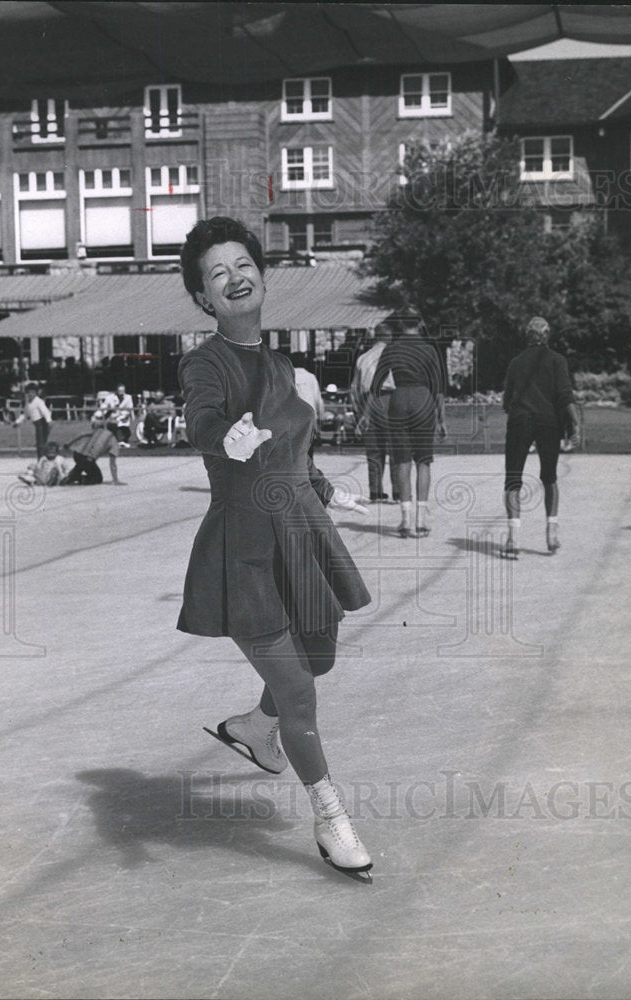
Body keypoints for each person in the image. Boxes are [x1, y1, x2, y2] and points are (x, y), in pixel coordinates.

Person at [176, 216, 374, 882]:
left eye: (242, 265)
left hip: (303, 531)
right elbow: (201, 418)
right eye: (216, 274)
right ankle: (330, 818)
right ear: (203, 298)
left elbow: (291, 449)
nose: (234, 278)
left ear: (261, 275)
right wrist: (221, 438)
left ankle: (256, 731)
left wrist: (325, 487)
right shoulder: (204, 362)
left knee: (317, 658)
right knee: (297, 691)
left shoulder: (284, 364)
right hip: (244, 548)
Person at [501, 316, 581, 559]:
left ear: (528, 336)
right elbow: (565, 396)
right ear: (547, 335)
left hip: (520, 420)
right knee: (549, 477)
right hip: (548, 422)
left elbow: (507, 402)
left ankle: (514, 538)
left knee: (513, 478)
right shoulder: (558, 360)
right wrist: (575, 424)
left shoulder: (515, 362)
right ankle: (551, 533)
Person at [371, 312, 446, 537]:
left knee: (402, 461)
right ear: (421, 323)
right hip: (424, 400)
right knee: (424, 461)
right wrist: (441, 419)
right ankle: (420, 521)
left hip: (399, 400)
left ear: (401, 324)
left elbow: (376, 385)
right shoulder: (430, 350)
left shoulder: (391, 349)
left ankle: (405, 519)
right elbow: (439, 388)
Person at [351, 323, 394, 502]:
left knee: (374, 450)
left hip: (368, 402)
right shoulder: (394, 356)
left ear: (375, 337)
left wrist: (359, 414)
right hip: (390, 400)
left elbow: (354, 388)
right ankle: (399, 491)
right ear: (389, 338)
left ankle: (375, 491)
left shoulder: (363, 358)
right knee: (394, 448)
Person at [61, 421, 125, 485]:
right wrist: (115, 479)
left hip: (77, 454)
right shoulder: (114, 443)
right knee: (97, 479)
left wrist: (68, 443)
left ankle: (70, 476)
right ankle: (75, 478)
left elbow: (81, 435)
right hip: (88, 460)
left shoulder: (98, 430)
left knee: (82, 464)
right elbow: (112, 464)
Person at [12, 382, 52, 458]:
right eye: (29, 392)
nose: (31, 394)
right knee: (39, 444)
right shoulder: (28, 403)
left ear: (36, 393)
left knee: (41, 444)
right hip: (37, 425)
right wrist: (17, 422)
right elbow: (25, 414)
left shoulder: (39, 401)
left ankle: (42, 461)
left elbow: (45, 412)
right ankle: (41, 460)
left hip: (42, 423)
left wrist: (49, 421)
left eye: (33, 392)